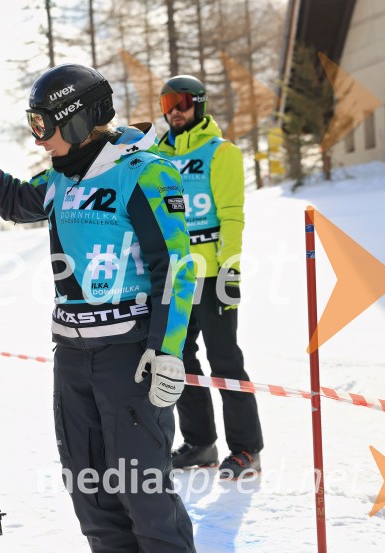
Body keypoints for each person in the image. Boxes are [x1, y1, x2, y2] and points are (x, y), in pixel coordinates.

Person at [0, 64, 197, 552]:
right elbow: (14, 200)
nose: (39, 141)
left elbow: (176, 268)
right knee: (92, 498)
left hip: (130, 358)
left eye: (44, 127)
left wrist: (168, 350)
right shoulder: (60, 178)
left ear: (76, 119)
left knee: (145, 498)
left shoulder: (142, 172)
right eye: (33, 127)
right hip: (73, 358)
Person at [154, 75, 264, 479]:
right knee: (179, 360)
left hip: (212, 273)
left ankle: (246, 449)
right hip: (175, 277)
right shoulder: (157, 155)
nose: (174, 111)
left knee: (225, 360)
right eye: (167, 103)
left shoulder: (222, 153)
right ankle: (200, 443)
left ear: (197, 104)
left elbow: (232, 215)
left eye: (181, 102)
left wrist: (229, 269)